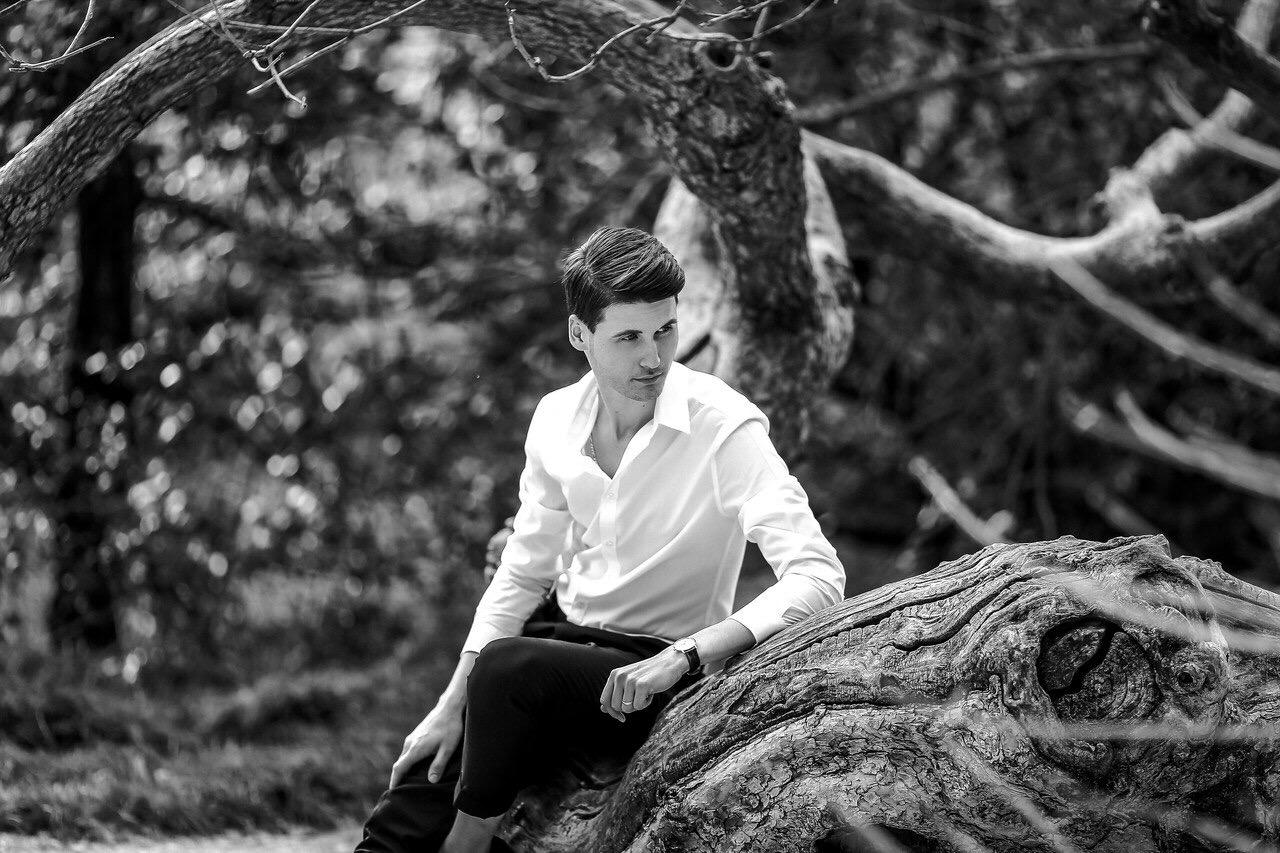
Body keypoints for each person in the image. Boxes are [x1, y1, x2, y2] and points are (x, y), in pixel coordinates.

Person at [354, 226, 845, 853]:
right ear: (579, 334)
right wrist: (451, 704)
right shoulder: (555, 418)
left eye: (666, 330)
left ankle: (467, 846)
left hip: (652, 670)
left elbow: (818, 576)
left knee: (507, 669)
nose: (654, 358)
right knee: (416, 785)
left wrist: (687, 655)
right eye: (629, 337)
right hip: (557, 649)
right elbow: (524, 571)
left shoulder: (723, 426)